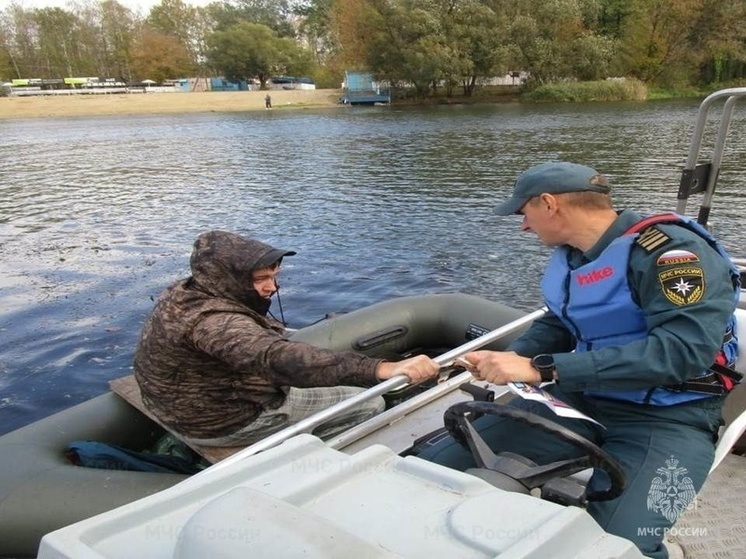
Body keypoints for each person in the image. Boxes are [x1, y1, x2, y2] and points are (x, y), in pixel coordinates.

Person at [418, 162, 740, 558]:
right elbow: (562, 320)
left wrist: (543, 369)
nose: (523, 227)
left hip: (671, 416)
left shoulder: (673, 255)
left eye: (524, 213)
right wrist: (512, 355)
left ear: (549, 204)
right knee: (429, 473)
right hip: (581, 398)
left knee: (620, 544)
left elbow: (683, 353)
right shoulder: (576, 255)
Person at [133, 230, 439, 447]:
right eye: (261, 280)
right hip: (222, 421)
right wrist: (380, 369)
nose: (273, 288)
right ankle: (306, 458)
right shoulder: (215, 324)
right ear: (229, 280)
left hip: (186, 404)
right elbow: (273, 357)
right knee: (368, 403)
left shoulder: (187, 291)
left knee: (340, 384)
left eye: (274, 276)